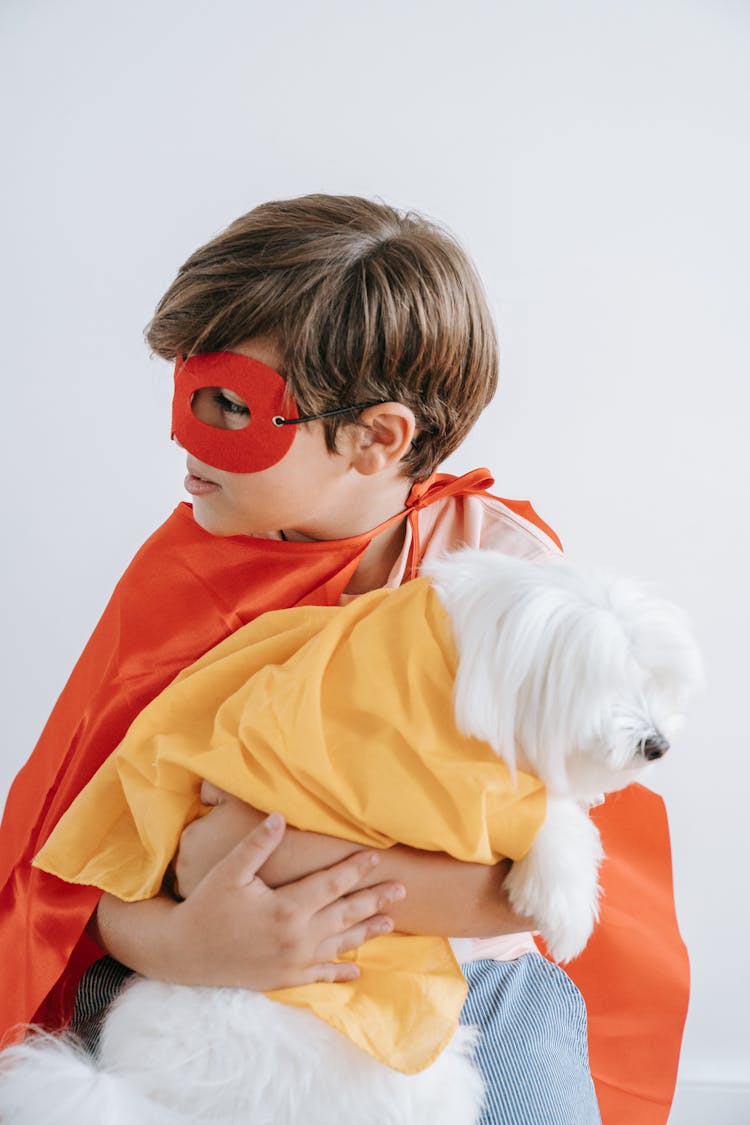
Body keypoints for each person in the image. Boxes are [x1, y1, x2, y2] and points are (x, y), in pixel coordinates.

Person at [0, 195, 688, 1124]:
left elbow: (530, 891)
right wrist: (189, 943)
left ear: (379, 436)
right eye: (185, 393)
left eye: (230, 407)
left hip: (470, 979)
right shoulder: (183, 582)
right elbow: (91, 864)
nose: (182, 437)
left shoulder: (512, 582)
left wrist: (275, 857)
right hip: (201, 967)